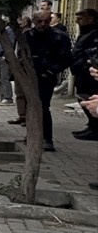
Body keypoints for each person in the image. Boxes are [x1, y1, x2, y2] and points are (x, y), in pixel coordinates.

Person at [27, 10, 73, 152]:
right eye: (40, 21)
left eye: (46, 21)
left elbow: (66, 58)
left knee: (43, 106)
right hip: (30, 75)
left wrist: (51, 70)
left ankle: (47, 138)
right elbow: (21, 53)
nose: (43, 24)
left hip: (47, 76)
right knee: (31, 105)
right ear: (34, 21)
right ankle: (32, 134)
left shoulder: (59, 37)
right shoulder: (27, 35)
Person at [69, 8, 98, 141]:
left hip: (89, 72)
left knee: (88, 98)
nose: (77, 21)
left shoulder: (94, 33)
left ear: (90, 19)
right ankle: (91, 126)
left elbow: (91, 54)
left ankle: (95, 128)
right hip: (80, 71)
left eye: (81, 18)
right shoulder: (85, 32)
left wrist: (85, 67)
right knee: (82, 96)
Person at [0, 21, 16, 106]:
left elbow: (11, 44)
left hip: (4, 58)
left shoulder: (9, 31)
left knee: (4, 78)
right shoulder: (3, 31)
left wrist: (6, 56)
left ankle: (8, 97)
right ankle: (2, 97)